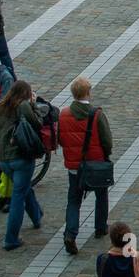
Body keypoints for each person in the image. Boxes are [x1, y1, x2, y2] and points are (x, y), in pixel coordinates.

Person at [58, 77, 113, 256]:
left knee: (74, 200)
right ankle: (100, 227)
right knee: (101, 195)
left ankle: (70, 233)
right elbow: (106, 140)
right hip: (96, 164)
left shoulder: (64, 114)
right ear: (88, 93)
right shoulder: (96, 114)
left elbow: (61, 138)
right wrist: (106, 155)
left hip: (75, 166)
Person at [0, 79, 44, 250]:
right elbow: (37, 122)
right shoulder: (23, 105)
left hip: (3, 160)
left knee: (23, 187)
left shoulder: (1, 107)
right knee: (18, 195)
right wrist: (34, 104)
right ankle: (11, 239)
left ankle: (37, 216)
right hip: (20, 157)